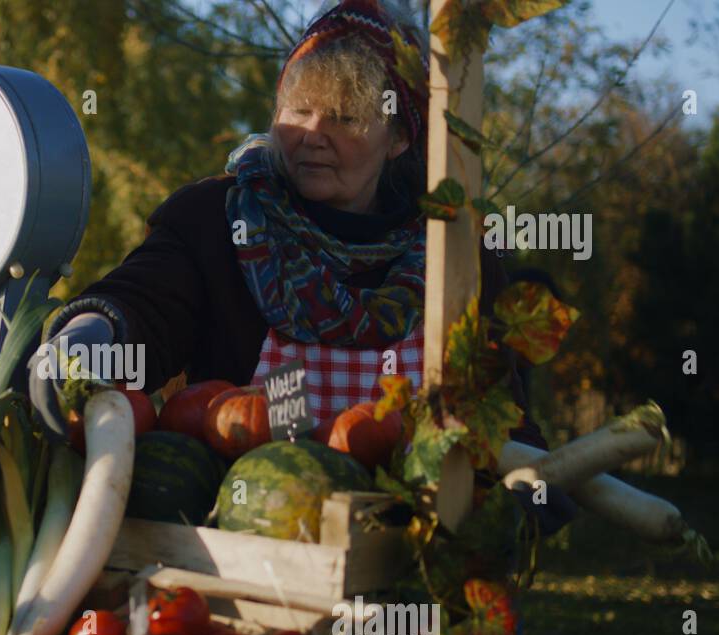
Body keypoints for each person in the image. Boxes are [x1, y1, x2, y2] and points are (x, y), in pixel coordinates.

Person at [28, 0, 574, 536]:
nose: (313, 133)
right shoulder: (215, 221)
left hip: (408, 565)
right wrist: (92, 334)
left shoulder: (455, 255)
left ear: (401, 137)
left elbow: (500, 415)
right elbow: (146, 304)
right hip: (247, 560)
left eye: (344, 117)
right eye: (299, 110)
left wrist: (524, 499)